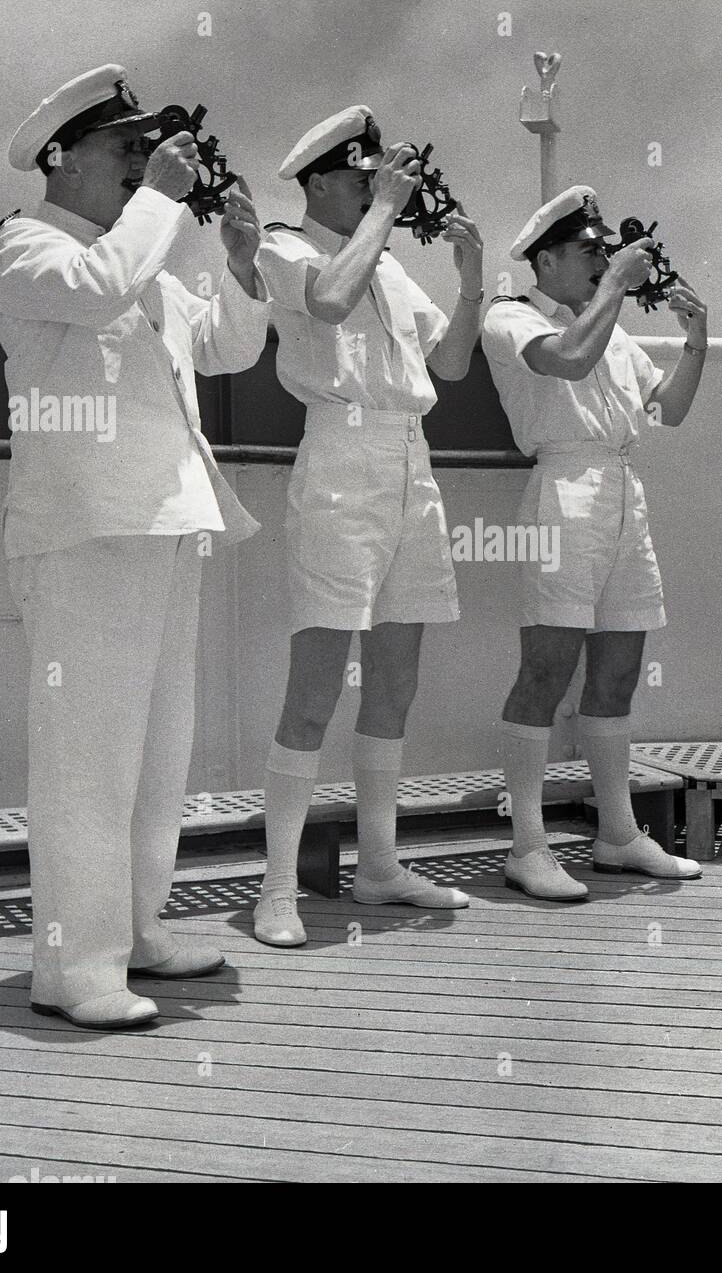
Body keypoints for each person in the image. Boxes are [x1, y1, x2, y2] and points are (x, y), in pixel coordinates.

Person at [0, 65, 270, 1028]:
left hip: (162, 525)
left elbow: (229, 346)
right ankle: (72, 966)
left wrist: (239, 258)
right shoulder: (25, 248)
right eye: (125, 150)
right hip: (83, 534)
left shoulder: (140, 258)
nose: (143, 164)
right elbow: (99, 289)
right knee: (87, 759)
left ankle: (138, 930)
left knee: (156, 753)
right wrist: (163, 204)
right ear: (61, 158)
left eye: (146, 150)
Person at [251, 106, 484, 945]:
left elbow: (450, 364)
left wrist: (473, 279)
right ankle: (277, 887)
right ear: (321, 182)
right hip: (341, 467)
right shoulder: (290, 247)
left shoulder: (385, 266)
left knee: (394, 680)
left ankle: (379, 865)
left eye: (377, 179)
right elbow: (329, 295)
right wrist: (385, 213)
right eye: (361, 179)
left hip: (409, 464)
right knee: (315, 688)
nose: (376, 190)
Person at [480, 186, 709, 900]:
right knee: (546, 672)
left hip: (620, 490)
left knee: (617, 670)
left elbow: (667, 408)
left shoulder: (606, 324)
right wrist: (617, 284)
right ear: (545, 258)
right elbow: (568, 361)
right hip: (563, 489)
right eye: (589, 250)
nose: (601, 260)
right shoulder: (510, 316)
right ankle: (527, 845)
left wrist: (696, 339)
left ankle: (617, 833)